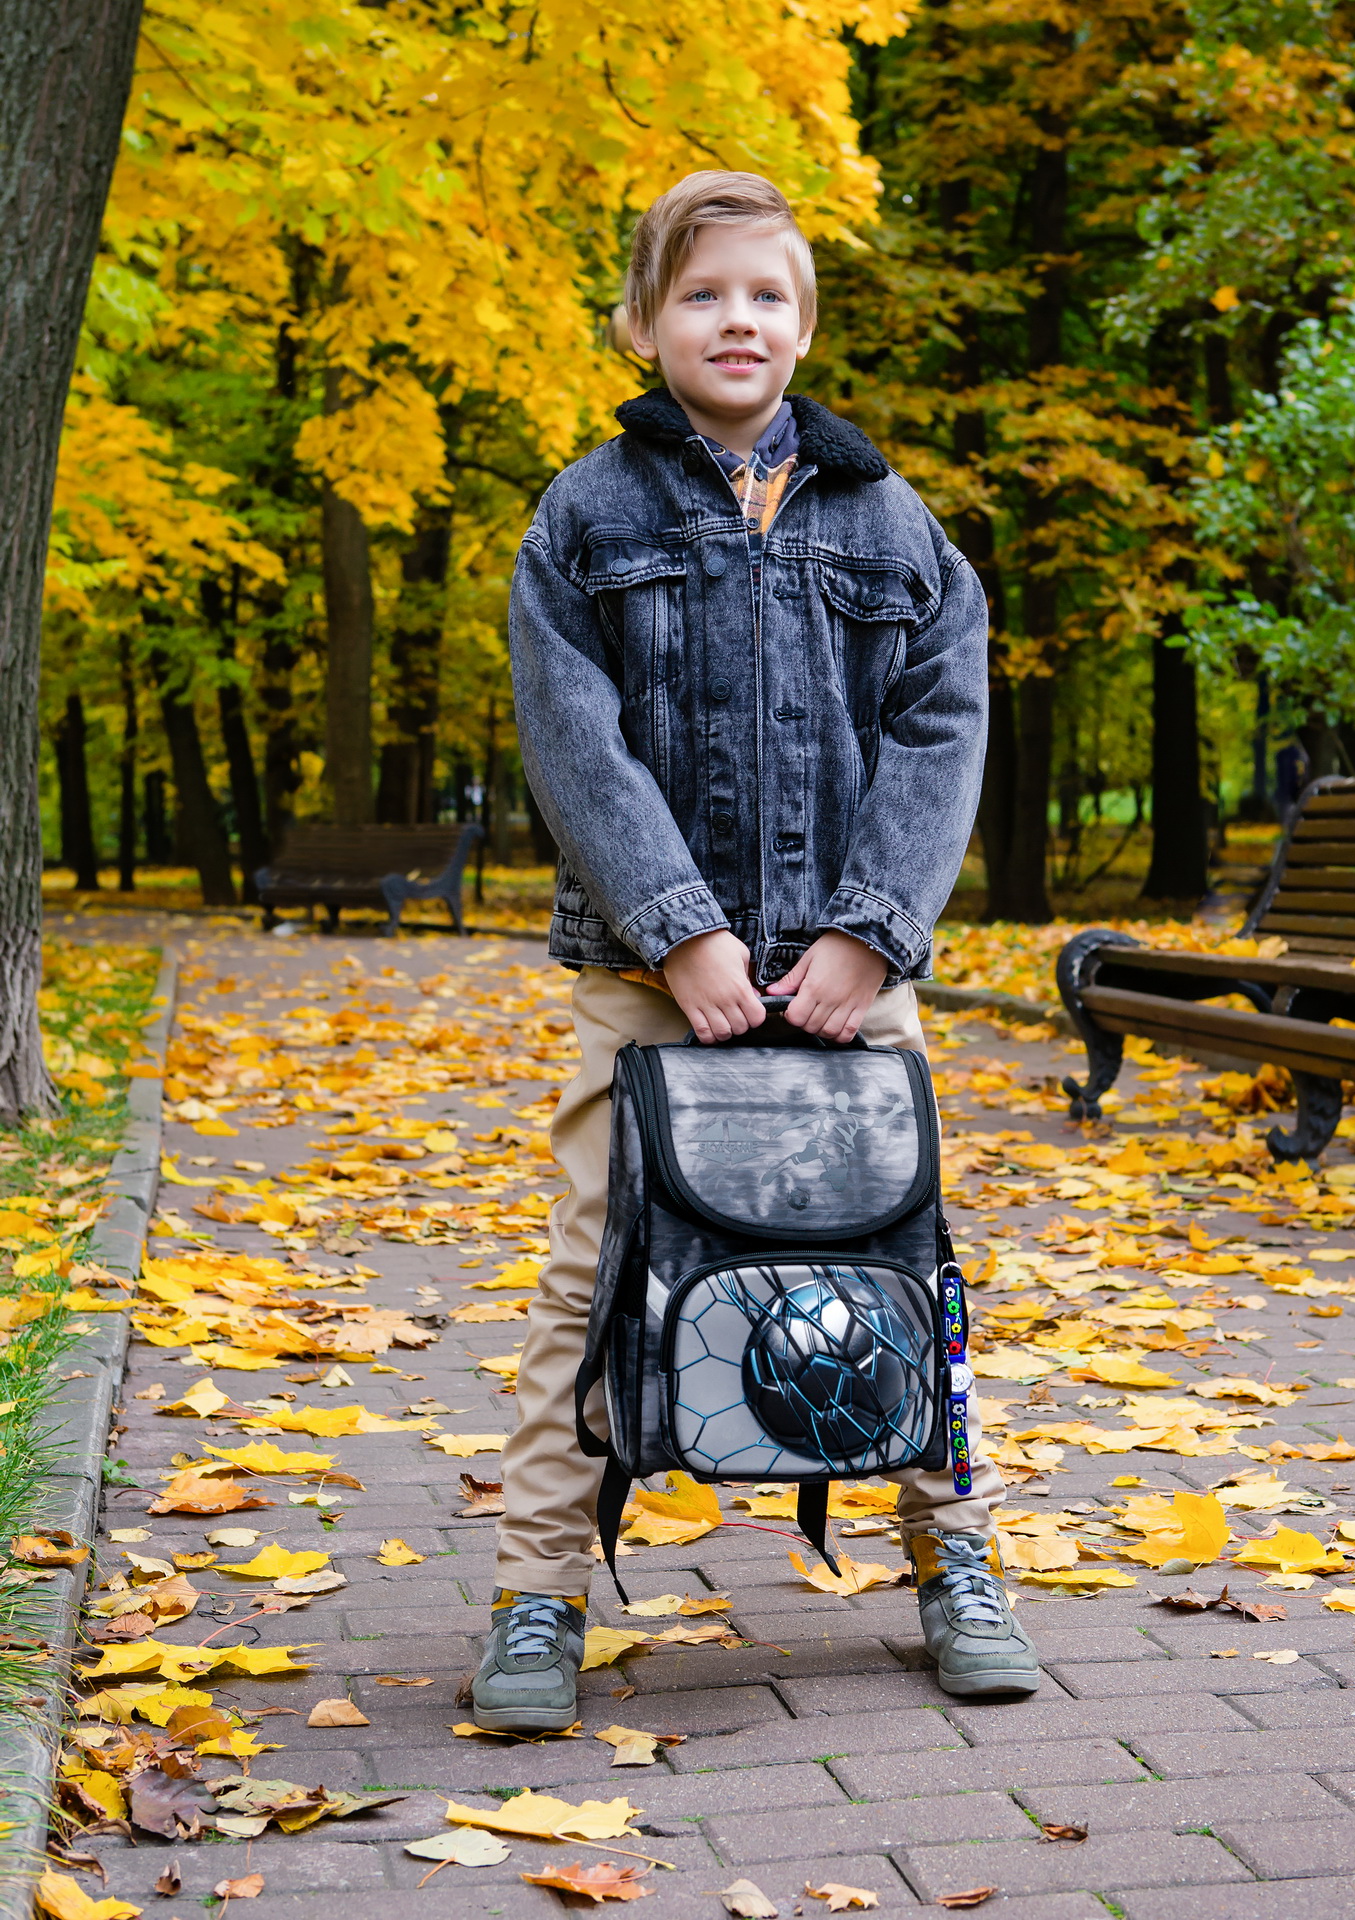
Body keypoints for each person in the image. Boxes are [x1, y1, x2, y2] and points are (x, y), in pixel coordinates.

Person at [469, 171, 1039, 1733]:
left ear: (806, 323)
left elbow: (940, 732)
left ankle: (954, 1555)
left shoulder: (888, 519)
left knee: (903, 1260)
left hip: (856, 989)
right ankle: (536, 1591)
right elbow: (573, 741)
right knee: (595, 1278)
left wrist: (871, 935)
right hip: (649, 989)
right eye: (706, 293)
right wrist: (684, 933)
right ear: (644, 322)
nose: (739, 320)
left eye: (769, 295)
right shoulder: (585, 516)